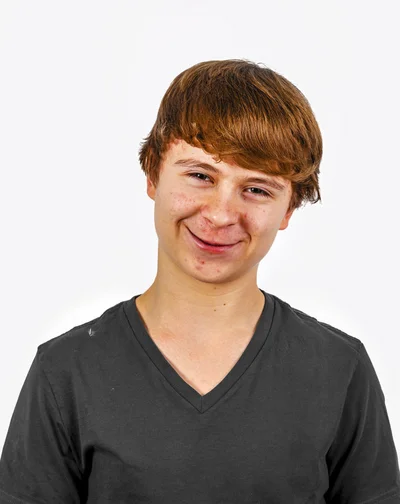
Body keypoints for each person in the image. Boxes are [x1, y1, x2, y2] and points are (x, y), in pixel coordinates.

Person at [0, 59, 399, 503]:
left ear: (289, 209)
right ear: (152, 174)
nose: (221, 214)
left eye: (258, 189)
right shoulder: (66, 372)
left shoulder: (339, 368)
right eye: (200, 176)